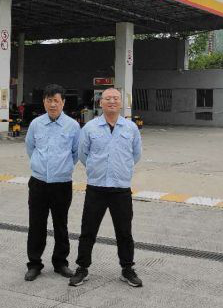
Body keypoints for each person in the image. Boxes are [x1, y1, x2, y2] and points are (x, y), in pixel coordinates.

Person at [70, 88, 143, 287]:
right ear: (100, 102)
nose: (112, 101)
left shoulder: (130, 128)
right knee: (88, 231)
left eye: (116, 98)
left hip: (121, 188)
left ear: (121, 103)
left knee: (124, 232)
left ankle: (127, 269)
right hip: (97, 188)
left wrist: (122, 169)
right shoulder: (90, 128)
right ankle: (82, 268)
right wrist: (96, 169)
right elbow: (83, 155)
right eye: (108, 98)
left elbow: (136, 154)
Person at [24, 84, 81, 281]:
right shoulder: (36, 124)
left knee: (61, 224)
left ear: (63, 102)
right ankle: (34, 264)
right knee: (36, 224)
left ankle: (60, 263)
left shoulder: (73, 126)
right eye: (49, 100)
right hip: (38, 182)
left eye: (56, 100)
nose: (53, 104)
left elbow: (76, 153)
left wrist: (62, 168)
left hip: (62, 184)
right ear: (44, 102)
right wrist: (40, 166)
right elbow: (30, 148)